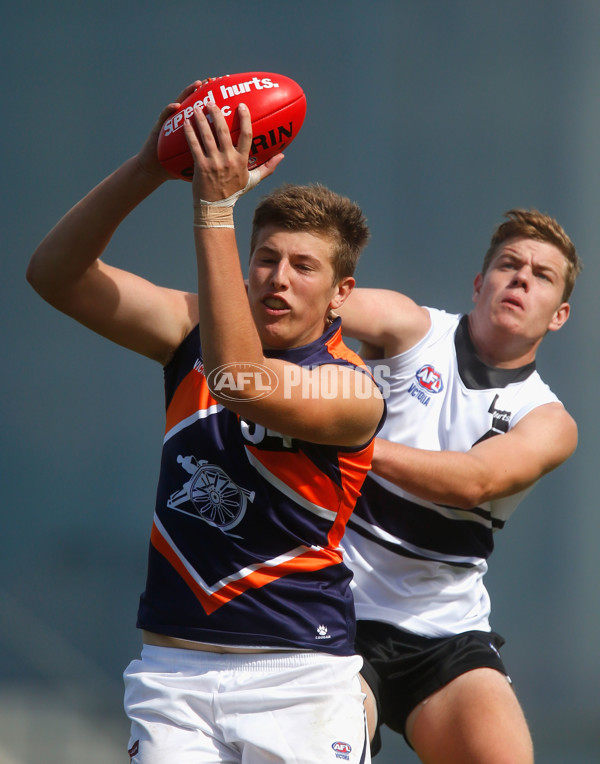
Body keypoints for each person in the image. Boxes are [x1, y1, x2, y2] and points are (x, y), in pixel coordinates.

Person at [27, 83, 384, 763]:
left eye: (303, 266)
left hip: (299, 679)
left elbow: (238, 382)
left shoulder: (351, 387)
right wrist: (147, 169)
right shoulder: (192, 328)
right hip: (173, 676)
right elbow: (54, 275)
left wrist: (216, 207)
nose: (278, 277)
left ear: (341, 295)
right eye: (266, 257)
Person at [336, 209, 582, 763]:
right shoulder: (410, 329)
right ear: (479, 283)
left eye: (541, 275)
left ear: (559, 315)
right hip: (336, 612)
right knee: (327, 752)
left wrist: (345, 440)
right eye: (508, 265)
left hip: (445, 632)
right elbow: (308, 302)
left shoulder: (549, 421)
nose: (521, 278)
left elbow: (475, 481)